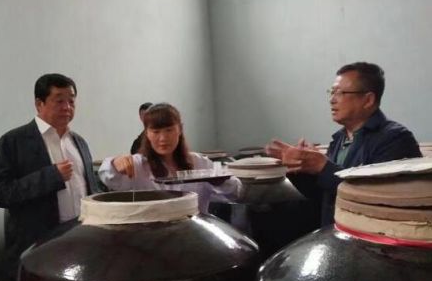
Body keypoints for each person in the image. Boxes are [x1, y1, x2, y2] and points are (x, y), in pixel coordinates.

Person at [266, 62, 421, 226]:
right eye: (332, 92)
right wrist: (300, 168)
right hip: (335, 232)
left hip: (371, 236)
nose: (332, 100)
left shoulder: (395, 139)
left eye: (340, 93)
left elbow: (374, 199)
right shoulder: (339, 139)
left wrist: (323, 167)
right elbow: (324, 197)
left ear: (368, 100)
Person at [0, 73, 98, 281]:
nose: (67, 107)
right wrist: (50, 177)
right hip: (38, 246)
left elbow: (90, 190)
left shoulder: (79, 142)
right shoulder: (14, 141)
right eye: (59, 100)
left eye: (71, 101)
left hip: (79, 241)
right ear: (39, 104)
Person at [99, 103, 242, 214]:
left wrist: (221, 181)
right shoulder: (138, 165)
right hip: (152, 235)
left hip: (195, 234)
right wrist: (115, 162)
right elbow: (108, 177)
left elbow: (236, 192)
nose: (163, 138)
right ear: (147, 134)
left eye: (169, 130)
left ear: (180, 129)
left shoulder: (199, 162)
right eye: (156, 131)